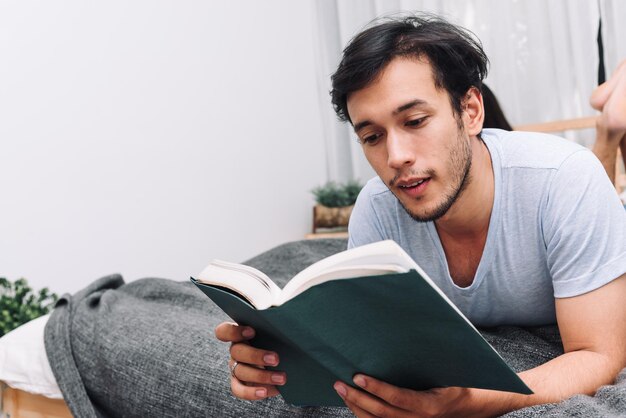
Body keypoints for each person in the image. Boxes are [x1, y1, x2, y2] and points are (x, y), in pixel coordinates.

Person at [215, 14, 626, 417]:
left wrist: (471, 403)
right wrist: (276, 359)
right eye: (372, 137)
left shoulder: (564, 179)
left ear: (470, 111)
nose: (395, 157)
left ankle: (611, 130)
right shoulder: (376, 209)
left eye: (414, 121)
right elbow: (369, 350)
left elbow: (598, 356)